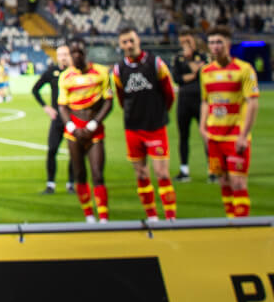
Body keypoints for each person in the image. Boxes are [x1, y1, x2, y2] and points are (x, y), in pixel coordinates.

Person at [111, 27, 178, 222]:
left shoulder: (155, 63)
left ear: (138, 40)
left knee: (162, 173)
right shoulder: (118, 70)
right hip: (133, 128)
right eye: (124, 42)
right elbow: (121, 98)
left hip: (155, 127)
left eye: (131, 40)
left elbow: (169, 93)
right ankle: (152, 217)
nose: (129, 45)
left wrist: (159, 113)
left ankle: (171, 217)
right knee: (141, 174)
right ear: (120, 45)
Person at [201, 27, 261, 217]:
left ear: (228, 44)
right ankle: (231, 221)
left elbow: (253, 103)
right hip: (214, 137)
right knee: (223, 182)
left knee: (238, 182)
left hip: (235, 136)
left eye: (219, 42)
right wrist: (202, 128)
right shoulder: (206, 71)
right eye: (211, 42)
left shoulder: (244, 69)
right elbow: (206, 101)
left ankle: (242, 224)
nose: (215, 46)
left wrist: (244, 135)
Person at [60, 37, 114, 221]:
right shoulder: (65, 77)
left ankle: (104, 218)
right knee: (79, 174)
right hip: (74, 131)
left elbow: (108, 101)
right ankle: (89, 216)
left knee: (97, 174)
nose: (76, 55)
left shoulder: (101, 72)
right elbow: (62, 106)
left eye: (79, 52)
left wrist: (94, 124)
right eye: (73, 52)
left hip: (94, 130)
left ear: (85, 52)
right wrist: (71, 126)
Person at [169, 29, 212, 181]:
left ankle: (213, 170)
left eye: (188, 41)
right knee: (183, 136)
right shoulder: (177, 58)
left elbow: (204, 74)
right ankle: (184, 170)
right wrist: (193, 74)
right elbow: (177, 78)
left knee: (206, 134)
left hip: (201, 100)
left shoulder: (204, 56)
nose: (185, 45)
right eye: (182, 42)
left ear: (194, 41)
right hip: (184, 101)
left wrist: (190, 70)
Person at [30, 43, 71, 194]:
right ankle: (50, 184)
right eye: (60, 55)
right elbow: (35, 89)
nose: (63, 58)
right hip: (58, 118)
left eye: (65, 54)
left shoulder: (75, 73)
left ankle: (72, 184)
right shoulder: (52, 72)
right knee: (52, 149)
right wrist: (46, 107)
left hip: (73, 119)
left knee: (74, 153)